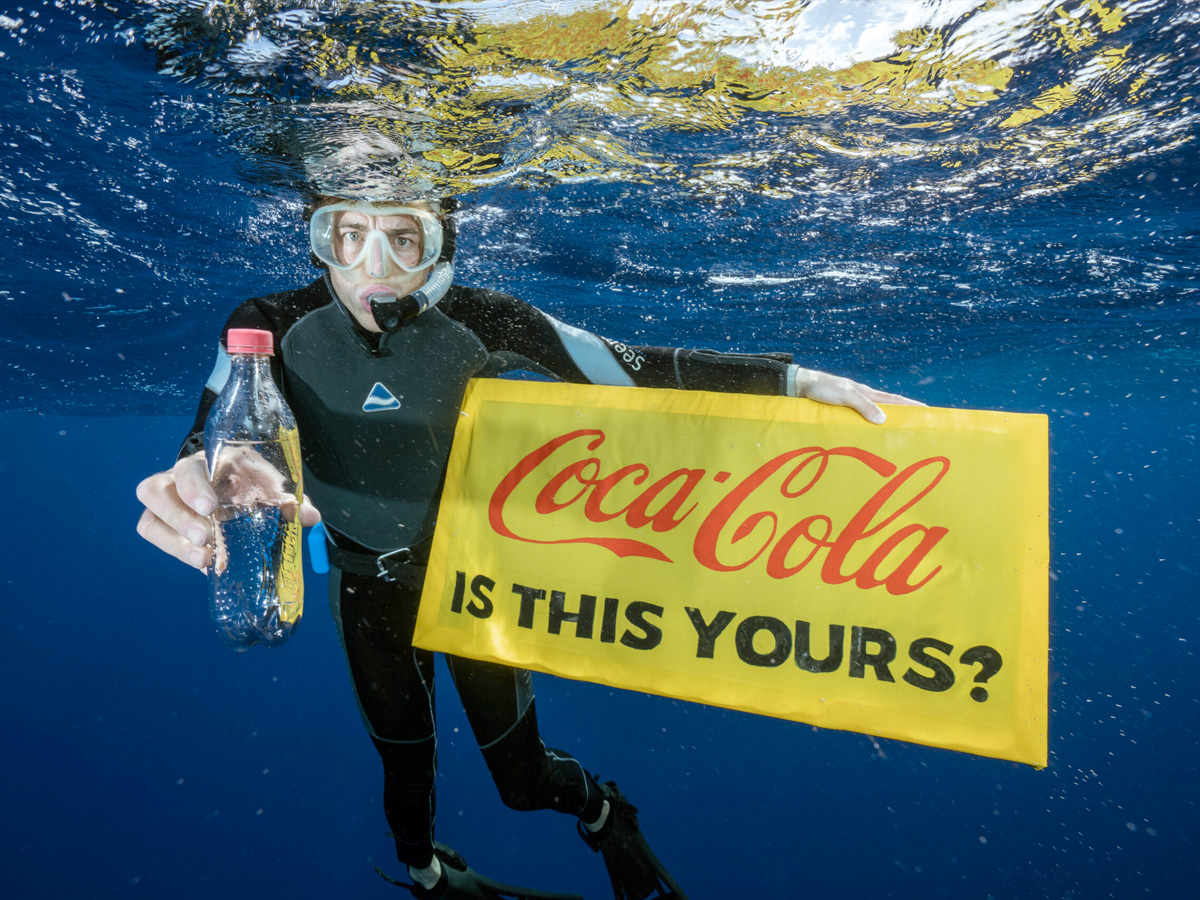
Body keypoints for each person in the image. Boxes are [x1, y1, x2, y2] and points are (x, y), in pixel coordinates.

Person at [136, 196, 920, 899]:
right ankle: (426, 875)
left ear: (444, 247)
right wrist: (198, 474)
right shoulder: (267, 325)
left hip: (472, 584)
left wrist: (798, 382)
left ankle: (603, 810)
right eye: (347, 236)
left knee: (520, 780)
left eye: (405, 239)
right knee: (403, 774)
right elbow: (215, 429)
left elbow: (631, 369)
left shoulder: (489, 318)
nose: (372, 269)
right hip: (360, 587)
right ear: (319, 241)